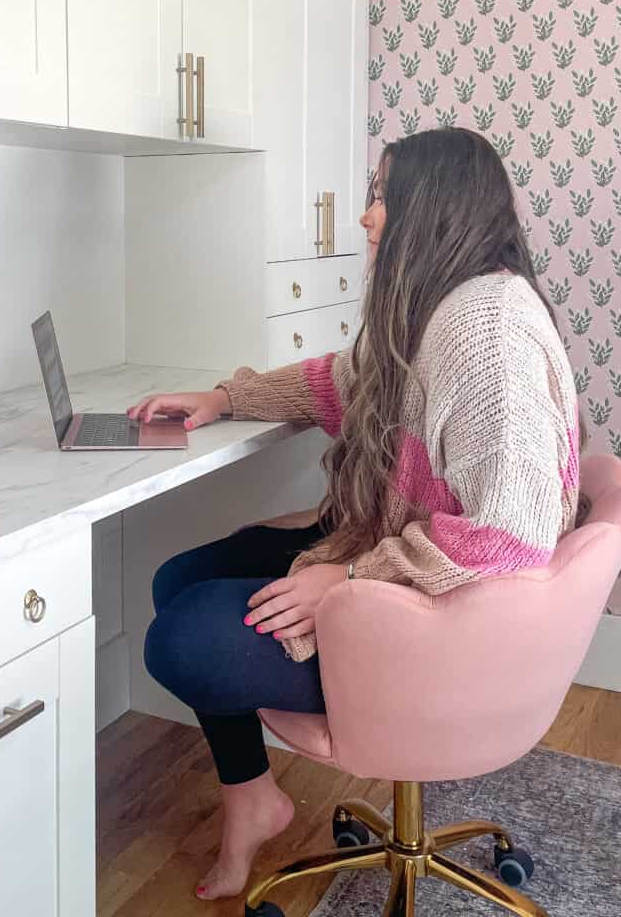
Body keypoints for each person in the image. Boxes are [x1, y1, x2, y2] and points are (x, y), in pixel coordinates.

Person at [127, 127, 583, 901]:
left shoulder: (486, 331)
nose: (366, 217)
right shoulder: (442, 305)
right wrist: (225, 397)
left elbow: (512, 530)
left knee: (181, 639)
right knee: (181, 577)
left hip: (440, 628)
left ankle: (252, 800)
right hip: (407, 573)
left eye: (379, 196)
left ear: (427, 207)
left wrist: (345, 579)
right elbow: (336, 383)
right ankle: (253, 800)